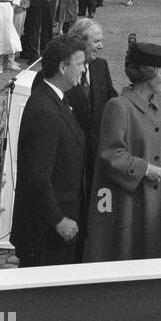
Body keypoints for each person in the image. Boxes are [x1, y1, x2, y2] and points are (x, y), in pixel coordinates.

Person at [85, 41, 161, 262]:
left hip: (157, 199)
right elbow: (110, 154)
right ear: (149, 74)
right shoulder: (119, 107)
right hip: (131, 203)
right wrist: (145, 169)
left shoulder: (159, 100)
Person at [10, 35, 87, 268]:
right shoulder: (45, 109)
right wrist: (58, 220)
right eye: (80, 64)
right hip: (46, 230)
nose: (84, 69)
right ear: (63, 67)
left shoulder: (58, 100)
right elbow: (36, 175)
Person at [65, 18, 118, 191]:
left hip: (97, 155)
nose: (101, 46)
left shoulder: (101, 66)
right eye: (96, 41)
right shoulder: (63, 73)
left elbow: (112, 102)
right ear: (80, 42)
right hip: (71, 158)